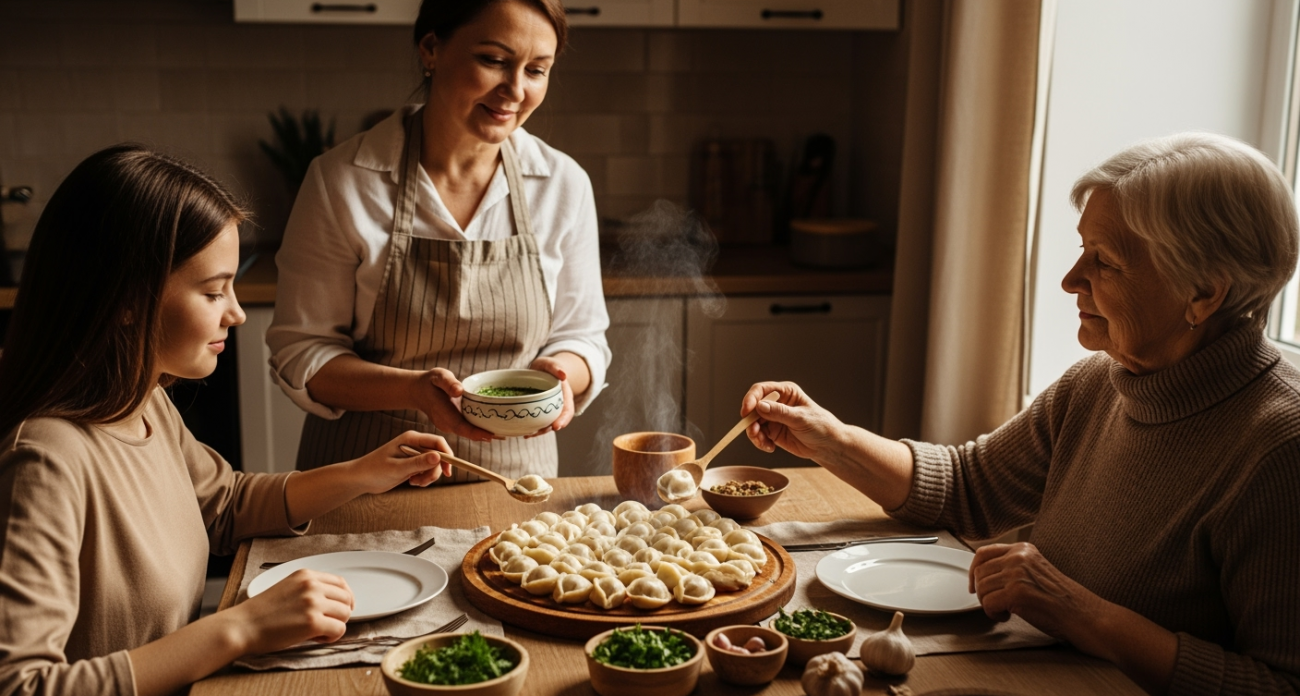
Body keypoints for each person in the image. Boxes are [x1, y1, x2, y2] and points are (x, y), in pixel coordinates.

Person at [739, 133, 1300, 695]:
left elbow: (1278, 684)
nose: (1070, 280)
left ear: (1203, 293)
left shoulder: (1280, 448)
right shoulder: (1100, 383)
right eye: (1083, 249)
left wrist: (1084, 615)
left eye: (1104, 261)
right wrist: (829, 438)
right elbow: (967, 486)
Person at [0, 145, 456, 696]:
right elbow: (22, 685)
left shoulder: (142, 401)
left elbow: (226, 505)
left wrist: (365, 473)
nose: (237, 312)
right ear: (125, 299)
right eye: (214, 291)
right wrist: (240, 627)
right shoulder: (45, 460)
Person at [267, 0, 610, 479]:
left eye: (537, 70)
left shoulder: (562, 184)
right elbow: (303, 353)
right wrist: (412, 391)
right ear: (431, 48)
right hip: (363, 478)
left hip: (516, 481)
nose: (515, 90)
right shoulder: (342, 181)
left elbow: (583, 335)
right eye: (493, 60)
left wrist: (561, 375)